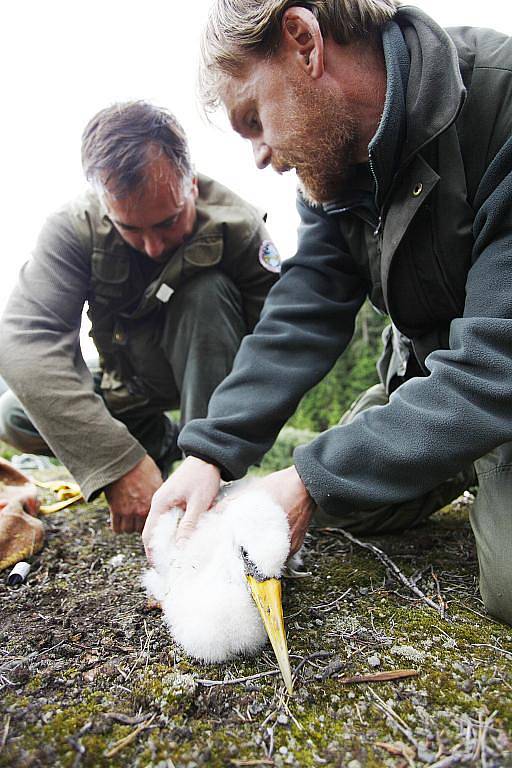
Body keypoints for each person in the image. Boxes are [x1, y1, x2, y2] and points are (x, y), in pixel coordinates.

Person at [144, 1, 512, 626]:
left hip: (497, 382)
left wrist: (310, 478)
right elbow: (305, 303)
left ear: (304, 41)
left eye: (253, 119)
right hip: (438, 383)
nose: (259, 155)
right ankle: (457, 458)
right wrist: (210, 450)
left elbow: (500, 360)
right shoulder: (336, 160)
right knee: (343, 501)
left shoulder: (500, 104)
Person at [0, 101, 280, 534]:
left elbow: (274, 346)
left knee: (206, 292)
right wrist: (115, 461)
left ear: (190, 183)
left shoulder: (237, 225)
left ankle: (204, 471)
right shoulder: (73, 229)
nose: (152, 246)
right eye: (131, 229)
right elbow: (25, 342)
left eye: (168, 223)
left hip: (208, 378)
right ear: (103, 198)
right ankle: (155, 445)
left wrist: (218, 451)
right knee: (15, 415)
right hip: (128, 381)